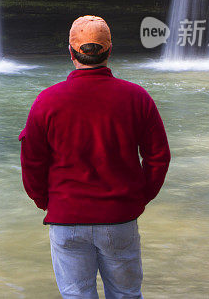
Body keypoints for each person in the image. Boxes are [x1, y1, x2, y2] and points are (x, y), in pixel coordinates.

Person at [19, 15, 171, 299]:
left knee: (77, 296)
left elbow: (31, 162)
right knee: (126, 295)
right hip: (119, 218)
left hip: (66, 219)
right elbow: (158, 157)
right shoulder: (137, 98)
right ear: (110, 50)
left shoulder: (47, 101)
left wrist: (46, 202)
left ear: (70, 52)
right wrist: (138, 197)